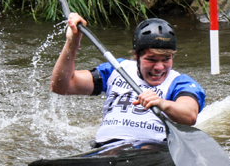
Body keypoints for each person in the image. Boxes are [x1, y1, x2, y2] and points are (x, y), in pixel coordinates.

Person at [50, 12, 206, 146]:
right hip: (105, 148)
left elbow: (190, 115)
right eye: (151, 59)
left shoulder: (180, 82)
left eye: (166, 59)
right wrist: (73, 42)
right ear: (136, 56)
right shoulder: (116, 69)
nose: (159, 67)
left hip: (149, 151)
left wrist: (162, 103)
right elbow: (62, 86)